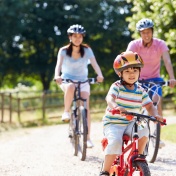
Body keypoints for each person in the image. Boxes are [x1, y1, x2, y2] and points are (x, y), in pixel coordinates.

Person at [99, 51, 163, 176]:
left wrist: (155, 114)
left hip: (131, 122)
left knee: (144, 130)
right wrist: (116, 107)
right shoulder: (116, 86)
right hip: (114, 123)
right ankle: (105, 171)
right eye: (127, 71)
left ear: (139, 72)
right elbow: (109, 99)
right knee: (115, 142)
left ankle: (138, 157)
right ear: (120, 73)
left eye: (135, 70)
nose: (132, 74)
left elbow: (149, 105)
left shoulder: (140, 90)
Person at [54, 24, 104, 148]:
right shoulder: (64, 51)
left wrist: (99, 75)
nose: (77, 39)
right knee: (70, 87)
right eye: (75, 36)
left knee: (85, 107)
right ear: (70, 37)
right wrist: (57, 75)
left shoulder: (87, 50)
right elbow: (58, 65)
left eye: (80, 36)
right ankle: (66, 112)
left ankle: (87, 138)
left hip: (83, 81)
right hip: (67, 80)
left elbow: (95, 64)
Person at [126, 18, 176, 117]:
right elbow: (126, 60)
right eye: (143, 32)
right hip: (138, 79)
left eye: (148, 32)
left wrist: (172, 77)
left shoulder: (160, 44)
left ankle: (157, 129)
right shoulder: (134, 45)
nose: (146, 35)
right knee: (136, 105)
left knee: (156, 101)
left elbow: (167, 61)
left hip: (155, 79)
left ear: (152, 31)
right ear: (140, 33)